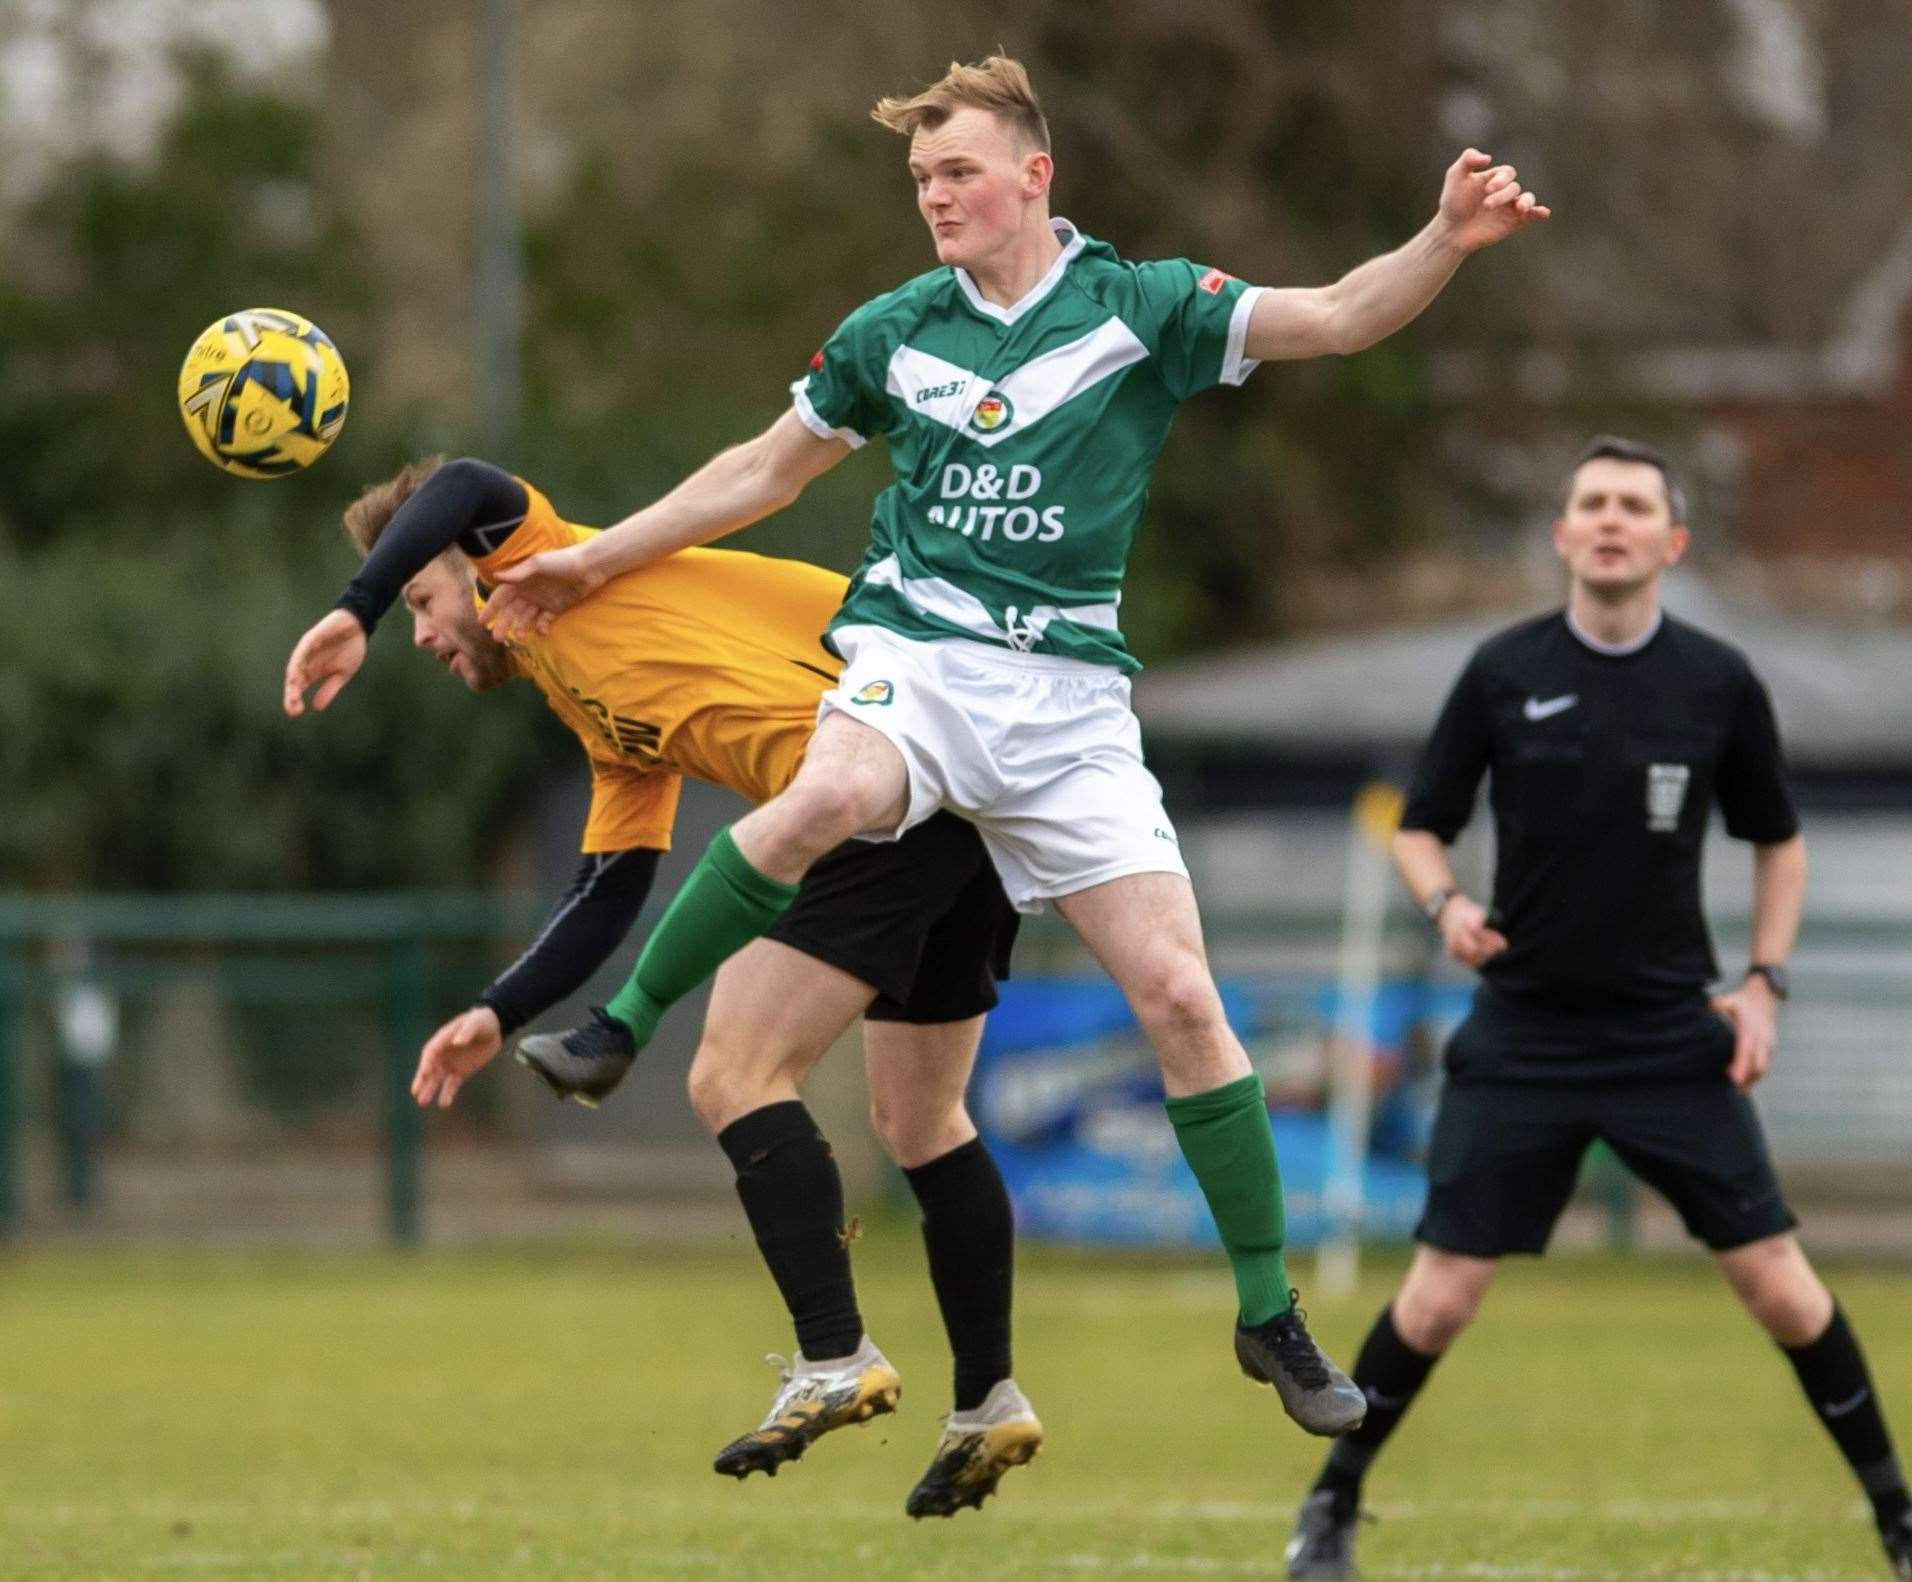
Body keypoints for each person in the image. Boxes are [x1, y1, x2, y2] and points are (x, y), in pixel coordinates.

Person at [479, 54, 1548, 1435]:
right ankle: (620, 1025)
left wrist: (1444, 240)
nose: (936, 198)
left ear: (1036, 176)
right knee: (838, 787)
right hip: (915, 666)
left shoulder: (1143, 306)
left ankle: (1270, 1314)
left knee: (1178, 993)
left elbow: (1340, 316)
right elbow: (762, 469)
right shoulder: (892, 329)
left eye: (960, 172)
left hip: (1068, 708)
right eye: (921, 179)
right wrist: (588, 558)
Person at [281, 455, 1041, 1519]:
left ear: (475, 568)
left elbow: (457, 482)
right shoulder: (584, 695)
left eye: (420, 598)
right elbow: (610, 885)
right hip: (960, 795)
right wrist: (498, 1012)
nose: (420, 632)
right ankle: (988, 1401)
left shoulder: (550, 565)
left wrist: (353, 607)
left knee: (734, 1071)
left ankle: (834, 1356)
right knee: (919, 1117)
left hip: (877, 787)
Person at [1284, 437, 1912, 1581]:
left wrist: (1762, 985)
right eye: (1590, 502)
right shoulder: (1499, 670)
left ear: (1671, 540)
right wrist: (1445, 905)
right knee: (1437, 1298)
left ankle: (1896, 1515)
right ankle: (1328, 1509)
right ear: (1563, 534)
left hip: (1671, 1033)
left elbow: (1779, 844)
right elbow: (1419, 824)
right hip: (1522, 1031)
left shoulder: (1718, 682)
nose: (1610, 519)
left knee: (1779, 1286)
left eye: (1634, 504)